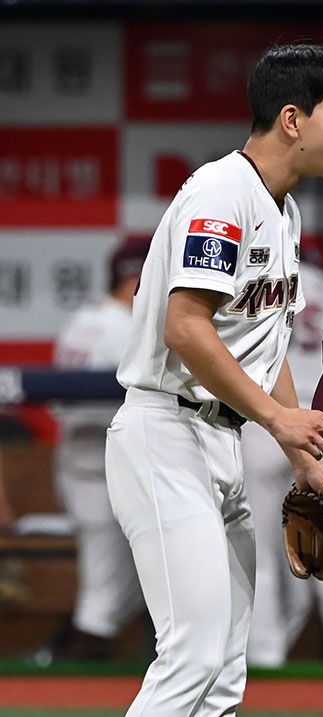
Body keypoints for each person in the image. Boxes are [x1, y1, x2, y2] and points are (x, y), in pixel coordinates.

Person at [85, 42, 323, 717]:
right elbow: (188, 328)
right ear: (292, 117)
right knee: (193, 651)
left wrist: (304, 460)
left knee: (224, 670)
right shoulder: (219, 194)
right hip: (163, 433)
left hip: (220, 444)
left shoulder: (283, 212)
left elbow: (263, 349)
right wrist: (279, 421)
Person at [241, 252, 323, 670]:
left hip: (266, 416)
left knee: (258, 551)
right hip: (320, 416)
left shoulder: (254, 271)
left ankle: (265, 653)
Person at [50, 237, 151, 662]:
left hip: (81, 460)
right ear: (134, 278)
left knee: (126, 587)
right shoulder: (124, 326)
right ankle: (64, 686)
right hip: (104, 466)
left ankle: (53, 654)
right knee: (106, 596)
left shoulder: (81, 320)